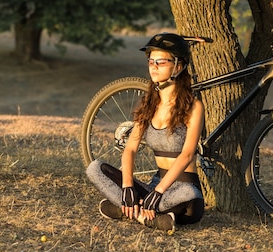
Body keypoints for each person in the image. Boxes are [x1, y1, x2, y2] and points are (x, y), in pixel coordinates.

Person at [86, 33, 205, 232]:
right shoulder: (149, 103)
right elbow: (130, 149)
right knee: (95, 168)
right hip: (153, 188)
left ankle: (129, 212)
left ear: (178, 66)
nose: (154, 67)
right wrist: (127, 188)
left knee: (188, 193)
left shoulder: (194, 106)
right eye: (151, 62)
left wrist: (158, 193)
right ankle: (146, 215)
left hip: (181, 194)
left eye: (161, 62)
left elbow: (187, 155)